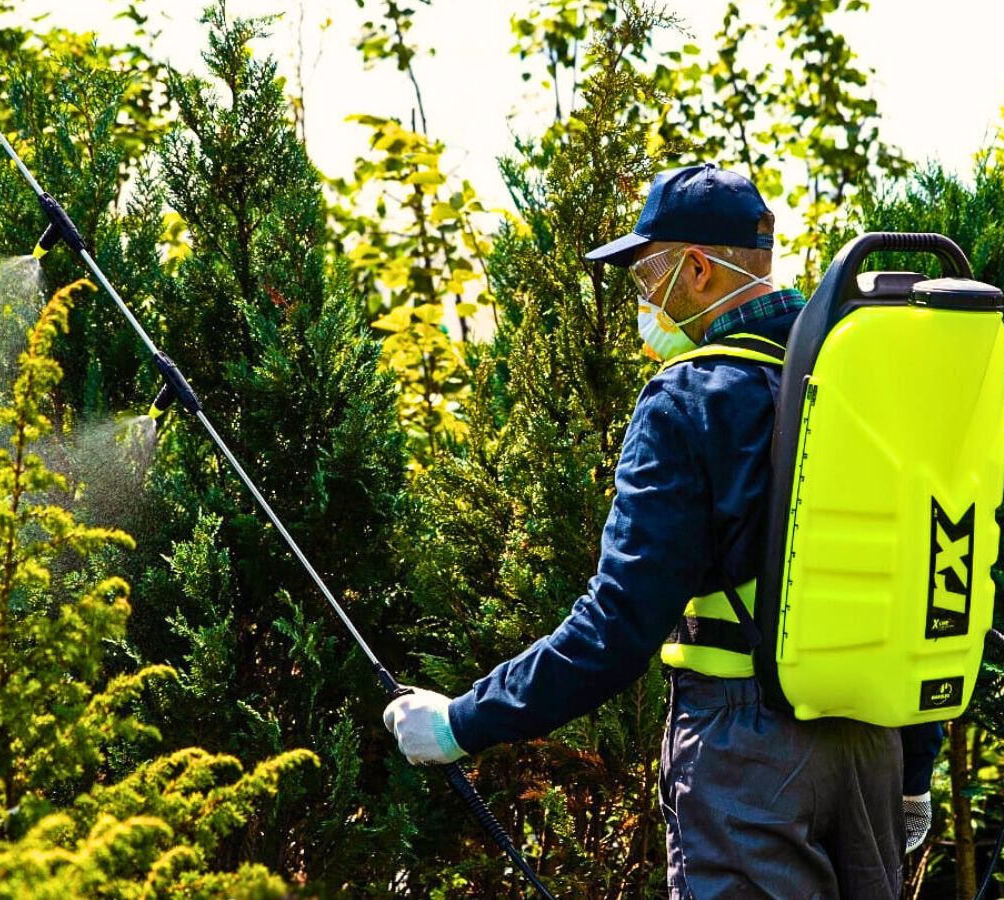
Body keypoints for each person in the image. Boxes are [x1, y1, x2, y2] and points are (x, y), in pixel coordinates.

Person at [384, 163, 923, 897]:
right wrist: (915, 767)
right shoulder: (858, 379)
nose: (642, 299)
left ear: (697, 269)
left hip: (748, 756)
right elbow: (913, 578)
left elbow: (617, 625)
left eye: (646, 276)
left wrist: (461, 723)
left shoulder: (690, 400)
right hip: (872, 738)